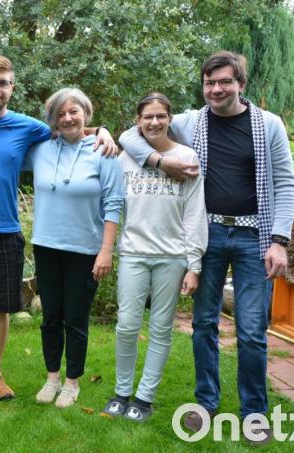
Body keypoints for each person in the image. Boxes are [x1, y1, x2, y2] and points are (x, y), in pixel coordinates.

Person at [119, 52, 294, 442]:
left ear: (240, 84)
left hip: (256, 238)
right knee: (203, 325)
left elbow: (285, 183)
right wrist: (157, 161)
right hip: (208, 236)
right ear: (203, 85)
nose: (216, 89)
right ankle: (206, 404)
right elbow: (130, 134)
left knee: (251, 331)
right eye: (209, 82)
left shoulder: (268, 125)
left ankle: (254, 413)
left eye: (224, 82)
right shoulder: (190, 121)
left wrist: (279, 241)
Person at [0, 55, 116, 402]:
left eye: (4, 83)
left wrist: (102, 130)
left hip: (6, 232)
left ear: (11, 89)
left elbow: (70, 129)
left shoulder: (26, 127)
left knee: (1, 307)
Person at [101, 92, 207, 422]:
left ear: (170, 119)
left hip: (172, 257)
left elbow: (194, 212)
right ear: (138, 121)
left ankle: (144, 398)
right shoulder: (125, 158)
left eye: (161, 116)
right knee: (127, 325)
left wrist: (194, 264)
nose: (155, 122)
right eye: (148, 116)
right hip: (133, 252)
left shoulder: (187, 156)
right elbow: (113, 204)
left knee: (161, 328)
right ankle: (121, 392)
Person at [24, 88, 124, 408]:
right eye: (61, 113)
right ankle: (52, 378)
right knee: (50, 316)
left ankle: (72, 383)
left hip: (85, 250)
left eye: (74, 112)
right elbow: (4, 137)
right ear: (53, 120)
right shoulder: (39, 150)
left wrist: (105, 251)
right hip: (47, 246)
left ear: (86, 114)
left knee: (76, 319)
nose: (68, 118)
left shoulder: (103, 151)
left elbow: (113, 204)